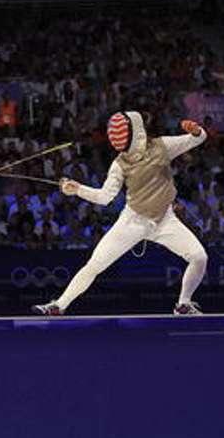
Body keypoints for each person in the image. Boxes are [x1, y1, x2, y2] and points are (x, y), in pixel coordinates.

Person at [32, 112, 210, 316]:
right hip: (133, 222)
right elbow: (105, 197)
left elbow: (199, 138)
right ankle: (59, 305)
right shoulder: (119, 164)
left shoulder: (162, 146)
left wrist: (196, 131)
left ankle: (184, 304)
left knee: (199, 257)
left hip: (165, 220)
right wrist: (78, 189)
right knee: (95, 264)